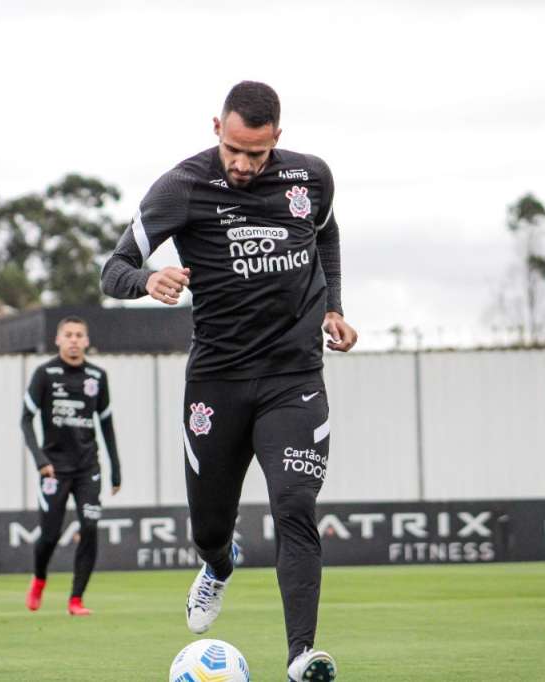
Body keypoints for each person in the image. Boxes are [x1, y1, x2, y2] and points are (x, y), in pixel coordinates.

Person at [101, 81, 356, 682]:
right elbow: (112, 270)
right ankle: (217, 567)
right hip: (217, 382)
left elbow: (326, 233)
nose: (243, 165)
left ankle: (300, 657)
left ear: (277, 140)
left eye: (257, 153)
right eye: (235, 150)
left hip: (293, 378)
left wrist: (334, 307)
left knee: (294, 504)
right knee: (211, 526)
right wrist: (148, 282)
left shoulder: (311, 179)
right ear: (217, 127)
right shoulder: (182, 186)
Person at [21, 316, 121, 616]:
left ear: (87, 341)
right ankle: (39, 578)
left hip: (88, 467)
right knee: (49, 535)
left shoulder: (97, 376)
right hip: (53, 468)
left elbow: (107, 426)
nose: (74, 340)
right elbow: (25, 420)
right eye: (69, 335)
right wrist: (40, 460)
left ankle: (76, 599)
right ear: (58, 340)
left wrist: (116, 469)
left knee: (89, 527)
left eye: (79, 335)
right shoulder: (45, 373)